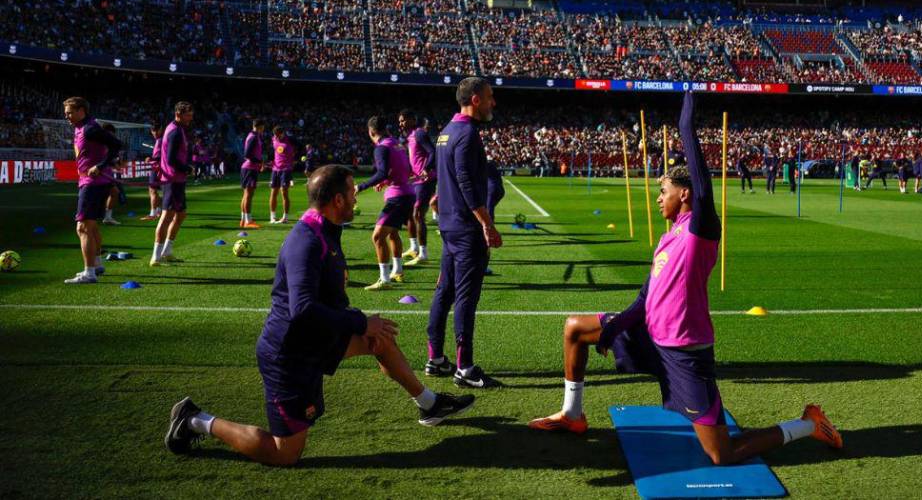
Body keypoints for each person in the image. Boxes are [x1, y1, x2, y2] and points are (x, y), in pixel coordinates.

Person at [528, 92, 842, 464]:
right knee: (575, 329)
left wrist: (685, 125)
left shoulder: (699, 229)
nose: (658, 198)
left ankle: (808, 424)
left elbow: (703, 184)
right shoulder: (667, 237)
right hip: (649, 333)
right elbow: (647, 298)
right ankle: (572, 415)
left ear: (686, 193)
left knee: (722, 455)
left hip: (683, 353)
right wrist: (615, 329)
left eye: (664, 191)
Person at [164, 164, 475, 466]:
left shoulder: (326, 229)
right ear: (337, 200)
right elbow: (302, 309)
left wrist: (362, 324)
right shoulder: (307, 241)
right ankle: (193, 419)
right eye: (352, 192)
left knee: (378, 339)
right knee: (284, 453)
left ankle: (430, 405)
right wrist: (359, 322)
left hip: (317, 338)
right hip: (289, 355)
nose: (357, 197)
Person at [426, 77, 504, 390]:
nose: (493, 103)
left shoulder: (446, 131)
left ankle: (435, 358)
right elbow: (466, 183)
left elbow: (446, 178)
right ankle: (465, 367)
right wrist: (486, 223)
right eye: (489, 97)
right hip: (465, 228)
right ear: (474, 99)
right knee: (465, 298)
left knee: (444, 291)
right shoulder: (468, 134)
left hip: (448, 225)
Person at [62, 96, 122, 284]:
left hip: (93, 183)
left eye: (70, 112)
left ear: (81, 111)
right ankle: (96, 265)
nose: (67, 116)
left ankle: (89, 273)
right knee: (92, 225)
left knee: (83, 227)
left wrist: (100, 166)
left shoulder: (90, 129)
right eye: (66, 113)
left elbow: (116, 144)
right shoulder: (82, 128)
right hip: (92, 181)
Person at [356, 116, 415, 290]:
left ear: (371, 132)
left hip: (398, 197)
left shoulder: (381, 148)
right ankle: (397, 270)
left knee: (377, 236)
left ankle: (384, 279)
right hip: (408, 193)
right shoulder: (396, 144)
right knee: (393, 233)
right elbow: (405, 169)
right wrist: (387, 180)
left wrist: (361, 186)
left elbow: (381, 172)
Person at [151, 101, 194, 266]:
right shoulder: (175, 131)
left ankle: (167, 251)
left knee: (181, 214)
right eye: (188, 115)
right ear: (179, 114)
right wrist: (187, 168)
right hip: (172, 179)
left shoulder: (178, 129)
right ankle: (156, 256)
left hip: (177, 179)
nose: (190, 118)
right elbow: (170, 159)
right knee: (166, 216)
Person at [402, 112, 436, 267]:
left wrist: (426, 168)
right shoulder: (409, 137)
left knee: (418, 214)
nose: (401, 123)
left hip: (426, 179)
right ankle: (414, 248)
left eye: (404, 120)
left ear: (413, 119)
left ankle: (423, 254)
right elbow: (414, 158)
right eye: (400, 121)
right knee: (410, 214)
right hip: (416, 179)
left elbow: (432, 151)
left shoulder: (420, 133)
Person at [240, 119, 267, 229]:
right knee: (248, 195)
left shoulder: (254, 136)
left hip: (249, 168)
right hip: (249, 168)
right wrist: (259, 162)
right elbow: (247, 154)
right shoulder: (254, 137)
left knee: (246, 195)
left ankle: (243, 220)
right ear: (260, 126)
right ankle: (248, 220)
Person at [101, 122, 127, 226]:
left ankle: (107, 217)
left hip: (106, 173)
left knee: (114, 192)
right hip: (99, 173)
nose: (113, 136)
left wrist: (115, 163)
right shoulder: (100, 143)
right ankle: (102, 216)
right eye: (111, 134)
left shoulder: (108, 143)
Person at [269, 126, 296, 224]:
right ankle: (272, 217)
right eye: (275, 135)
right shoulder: (273, 139)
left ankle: (285, 217)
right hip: (275, 169)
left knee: (284, 192)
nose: (276, 137)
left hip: (286, 169)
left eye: (278, 135)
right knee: (273, 193)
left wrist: (294, 159)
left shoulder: (290, 140)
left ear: (282, 133)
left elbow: (301, 147)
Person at [141, 124, 164, 221]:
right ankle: (158, 211)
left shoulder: (160, 141)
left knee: (152, 191)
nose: (154, 132)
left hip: (156, 169)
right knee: (154, 191)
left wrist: (150, 159)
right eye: (152, 130)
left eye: (155, 130)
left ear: (160, 129)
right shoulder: (161, 140)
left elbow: (159, 157)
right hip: (160, 169)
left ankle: (152, 213)